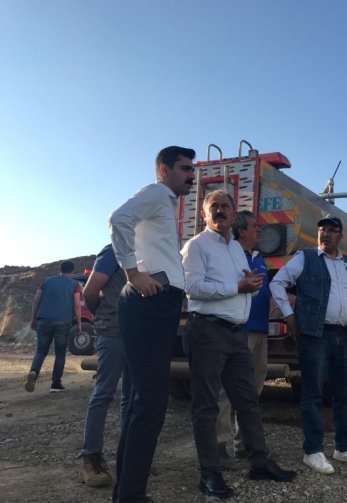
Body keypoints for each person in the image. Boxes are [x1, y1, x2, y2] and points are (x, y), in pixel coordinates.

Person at [182, 190, 296, 499]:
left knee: (247, 401)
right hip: (207, 332)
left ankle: (259, 462)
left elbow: (240, 289)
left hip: (236, 334)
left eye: (225, 206)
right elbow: (193, 288)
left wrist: (250, 286)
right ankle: (209, 472)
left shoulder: (235, 247)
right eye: (214, 207)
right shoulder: (196, 246)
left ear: (233, 215)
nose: (220, 211)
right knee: (206, 405)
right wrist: (237, 286)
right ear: (204, 214)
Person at [109, 145, 196, 503]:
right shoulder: (157, 193)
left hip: (156, 304)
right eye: (185, 168)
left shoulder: (165, 203)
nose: (191, 175)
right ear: (164, 169)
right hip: (150, 302)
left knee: (140, 402)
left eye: (192, 169)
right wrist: (133, 273)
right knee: (150, 403)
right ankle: (130, 495)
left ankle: (127, 493)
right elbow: (118, 218)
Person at [270, 214, 347, 475]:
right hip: (316, 336)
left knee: (345, 393)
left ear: (340, 236)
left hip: (343, 336)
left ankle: (344, 447)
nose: (325, 233)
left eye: (331, 230)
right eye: (322, 229)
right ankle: (312, 451)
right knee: (313, 393)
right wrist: (289, 315)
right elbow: (277, 283)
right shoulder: (305, 258)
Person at [216, 210, 271, 465]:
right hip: (238, 329)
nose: (259, 230)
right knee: (228, 390)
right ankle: (219, 444)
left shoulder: (259, 258)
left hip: (260, 329)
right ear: (241, 231)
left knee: (253, 390)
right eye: (254, 226)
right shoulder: (232, 255)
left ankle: (244, 443)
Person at [77, 244, 132, 488]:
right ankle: (91, 459)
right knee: (103, 394)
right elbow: (90, 292)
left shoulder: (148, 249)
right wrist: (106, 316)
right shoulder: (114, 251)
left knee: (131, 397)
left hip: (138, 336)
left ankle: (129, 456)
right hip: (113, 334)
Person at [25, 260, 82, 393]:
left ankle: (34, 372)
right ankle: (55, 384)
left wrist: (33, 318)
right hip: (63, 322)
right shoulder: (75, 284)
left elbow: (36, 300)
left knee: (41, 351)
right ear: (72, 271)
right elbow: (77, 305)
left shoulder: (47, 281)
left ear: (59, 270)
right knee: (60, 353)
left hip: (44, 320)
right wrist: (79, 323)